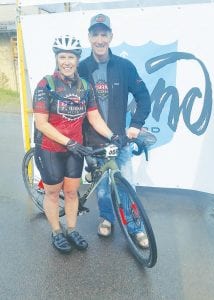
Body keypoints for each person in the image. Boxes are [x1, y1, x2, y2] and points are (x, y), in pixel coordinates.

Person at [33, 34, 122, 254]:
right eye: (62, 57)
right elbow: (41, 123)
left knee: (72, 193)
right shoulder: (46, 84)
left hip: (76, 149)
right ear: (57, 58)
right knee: (53, 193)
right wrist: (68, 142)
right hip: (51, 149)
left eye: (71, 57)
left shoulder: (84, 86)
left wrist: (113, 136)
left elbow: (94, 117)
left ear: (76, 59)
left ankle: (71, 229)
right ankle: (56, 231)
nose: (67, 62)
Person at [78, 14, 151, 248]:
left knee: (127, 185)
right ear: (89, 37)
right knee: (101, 188)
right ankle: (106, 219)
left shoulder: (125, 67)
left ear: (111, 36)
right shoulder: (81, 68)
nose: (100, 39)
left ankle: (135, 227)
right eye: (95, 34)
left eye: (104, 34)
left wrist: (135, 125)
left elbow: (144, 97)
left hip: (121, 142)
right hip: (94, 142)